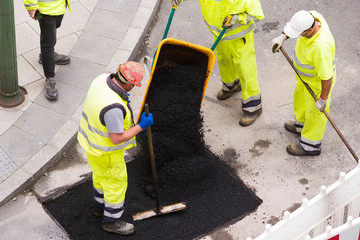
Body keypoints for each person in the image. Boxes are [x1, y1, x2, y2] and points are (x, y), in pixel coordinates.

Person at [77, 61, 154, 235]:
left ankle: (99, 207)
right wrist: (141, 126)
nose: (133, 87)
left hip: (90, 144)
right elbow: (117, 138)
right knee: (116, 183)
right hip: (106, 152)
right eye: (133, 85)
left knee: (100, 177)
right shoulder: (113, 108)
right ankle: (112, 221)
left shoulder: (101, 79)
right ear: (128, 83)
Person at [171, 0, 264, 126]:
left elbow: (257, 15)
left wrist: (238, 18)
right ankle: (231, 86)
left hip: (240, 38)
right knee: (224, 62)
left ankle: (253, 107)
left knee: (245, 69)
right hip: (219, 34)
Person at [272, 10, 336, 156]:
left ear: (310, 29)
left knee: (315, 113)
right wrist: (282, 37)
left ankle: (310, 145)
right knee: (300, 101)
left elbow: (327, 77)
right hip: (303, 78)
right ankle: (301, 125)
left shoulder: (321, 48)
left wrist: (323, 99)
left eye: (300, 32)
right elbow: (296, 25)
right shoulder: (313, 16)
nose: (299, 35)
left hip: (317, 85)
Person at [23, 0, 71, 101]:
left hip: (60, 6)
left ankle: (46, 57)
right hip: (46, 9)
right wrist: (31, 5)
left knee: (51, 34)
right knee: (48, 43)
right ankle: (50, 78)